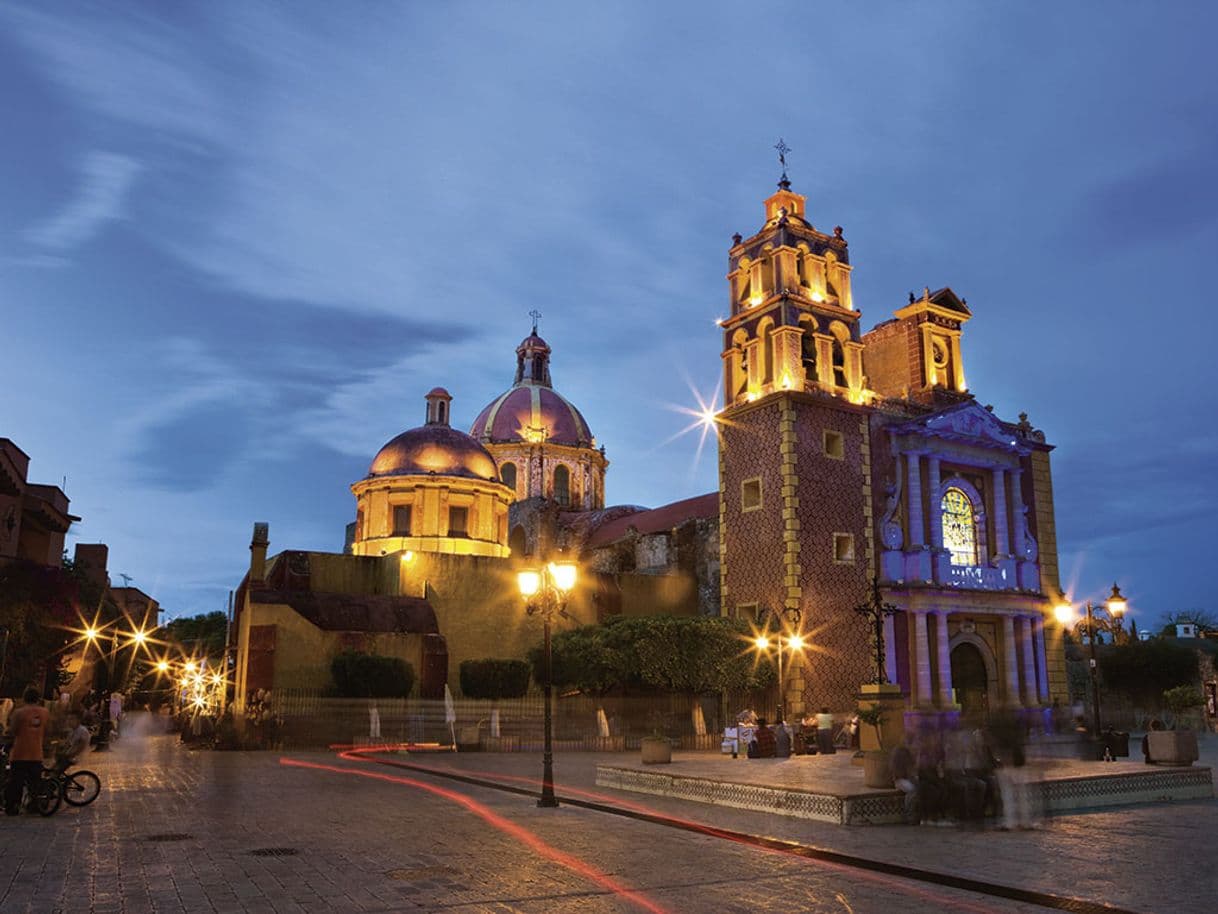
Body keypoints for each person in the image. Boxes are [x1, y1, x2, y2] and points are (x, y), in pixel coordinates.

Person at [4, 687, 50, 815]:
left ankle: (13, 807)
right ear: (38, 698)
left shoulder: (19, 713)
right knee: (34, 783)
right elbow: (48, 730)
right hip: (36, 753)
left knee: (16, 782)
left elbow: (13, 730)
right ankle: (34, 805)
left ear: (24, 698)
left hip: (20, 753)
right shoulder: (45, 712)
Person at [889, 737, 919, 824]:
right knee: (913, 791)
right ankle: (909, 815)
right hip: (900, 780)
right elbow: (901, 772)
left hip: (907, 778)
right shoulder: (901, 754)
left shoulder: (910, 755)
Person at [54, 710, 91, 775]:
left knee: (59, 767)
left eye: (72, 719)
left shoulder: (82, 731)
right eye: (68, 719)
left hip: (75, 756)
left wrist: (71, 754)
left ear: (78, 720)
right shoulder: (72, 731)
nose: (69, 721)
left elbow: (82, 745)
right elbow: (68, 743)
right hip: (70, 754)